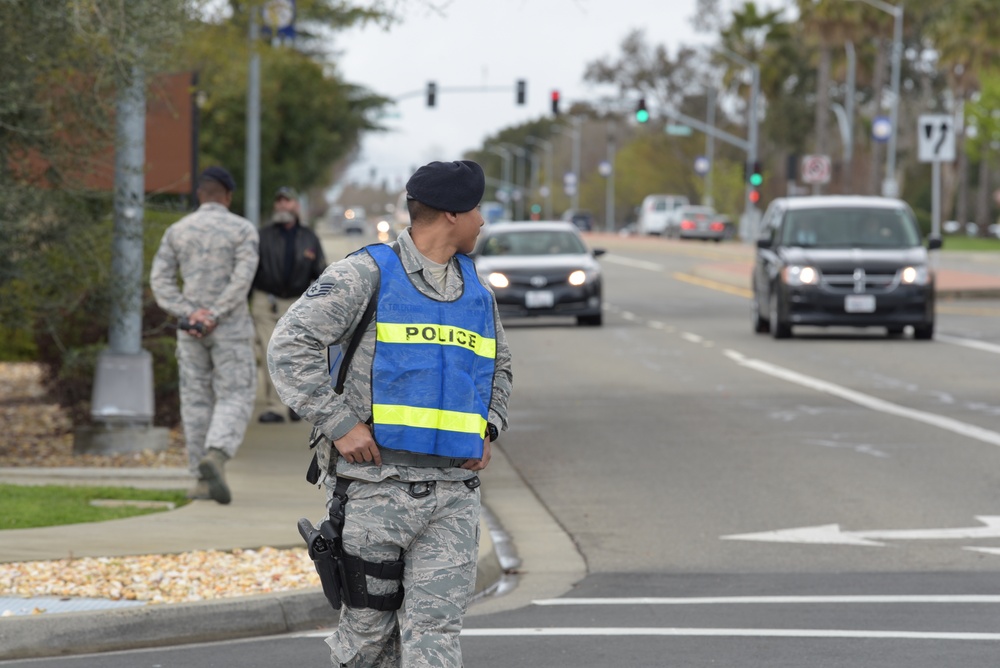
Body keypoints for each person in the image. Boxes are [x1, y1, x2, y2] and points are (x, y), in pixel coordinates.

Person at [267, 160, 513, 668]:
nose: (482, 221)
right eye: (475, 210)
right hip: (374, 490)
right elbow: (289, 346)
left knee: (435, 637)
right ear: (450, 215)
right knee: (367, 641)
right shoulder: (366, 274)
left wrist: (488, 425)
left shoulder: (477, 293)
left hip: (452, 495)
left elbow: (499, 365)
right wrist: (339, 424)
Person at [150, 166, 259, 505]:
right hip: (231, 329)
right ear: (227, 196)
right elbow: (243, 280)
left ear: (200, 194)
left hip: (190, 329)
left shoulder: (177, 231)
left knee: (196, 399)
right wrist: (215, 314)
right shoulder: (242, 230)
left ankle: (198, 478)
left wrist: (188, 311)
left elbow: (160, 279)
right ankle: (218, 452)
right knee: (236, 394)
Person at [252, 186, 328, 424]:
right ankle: (275, 406)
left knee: (296, 354)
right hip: (266, 301)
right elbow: (250, 272)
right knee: (269, 353)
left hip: (297, 303)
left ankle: (295, 404)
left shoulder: (308, 237)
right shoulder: (262, 236)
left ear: (296, 206)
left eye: (288, 201)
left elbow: (322, 274)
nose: (283, 205)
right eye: (279, 201)